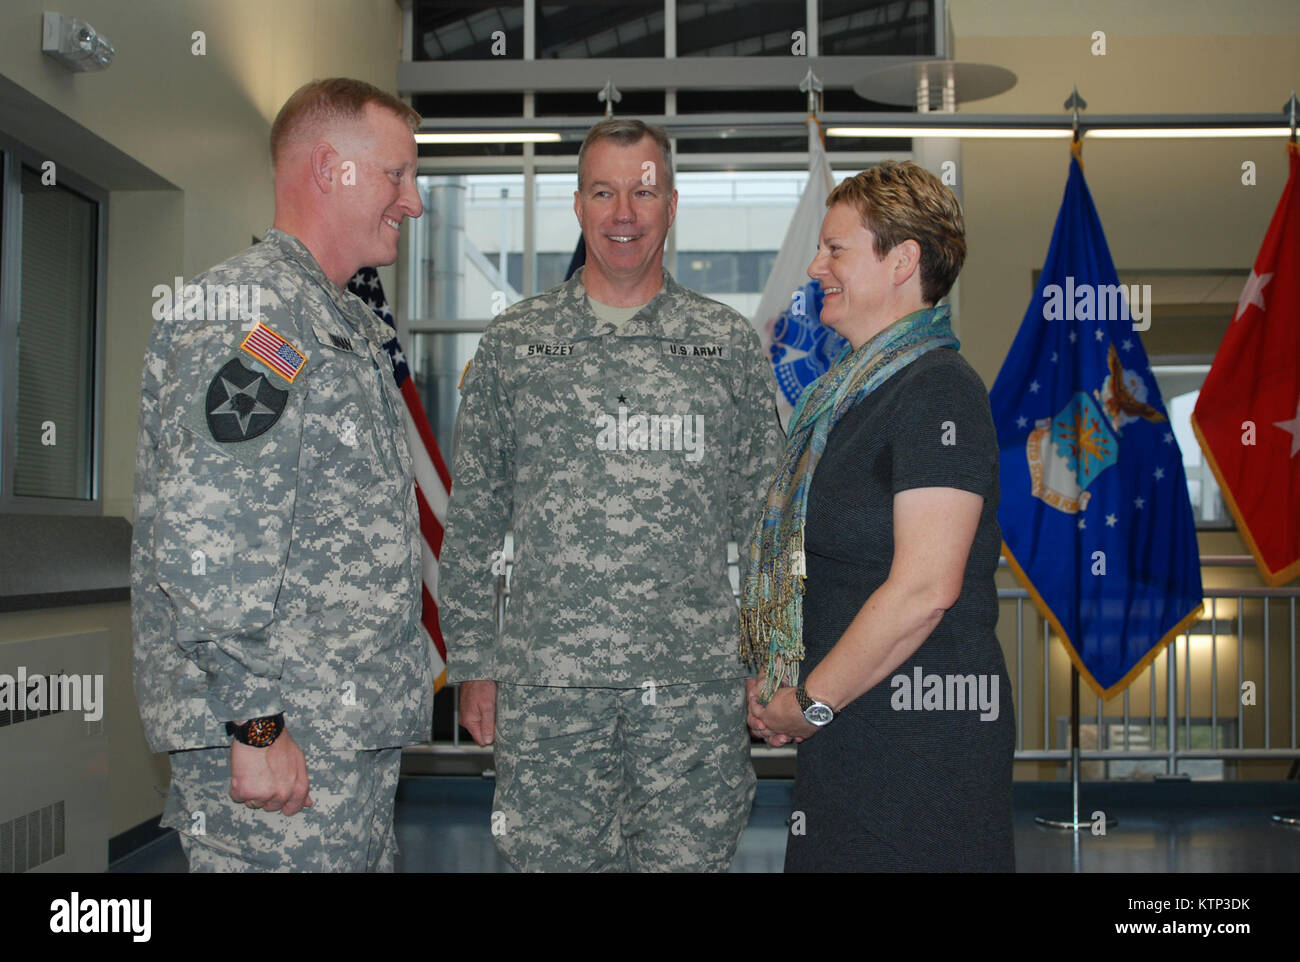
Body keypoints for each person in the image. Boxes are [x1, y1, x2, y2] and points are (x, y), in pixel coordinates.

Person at [439, 118, 783, 872]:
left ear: (671, 204)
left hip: (692, 695)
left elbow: (767, 522)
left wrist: (772, 657)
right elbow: (472, 519)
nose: (623, 213)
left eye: (643, 192)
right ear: (577, 204)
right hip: (549, 692)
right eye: (604, 192)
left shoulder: (724, 345)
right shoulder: (514, 345)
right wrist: (474, 661)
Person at [131, 78, 433, 872]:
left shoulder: (337, 322)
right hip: (280, 736)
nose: (415, 203)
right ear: (331, 169)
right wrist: (256, 725)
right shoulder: (255, 315)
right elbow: (207, 536)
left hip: (339, 735)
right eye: (397, 176)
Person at [743, 161, 1015, 872]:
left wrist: (809, 702)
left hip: (919, 748)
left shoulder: (939, 393)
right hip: (851, 737)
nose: (815, 264)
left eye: (835, 249)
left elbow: (926, 589)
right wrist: (783, 674)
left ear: (903, 261)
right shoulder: (843, 399)